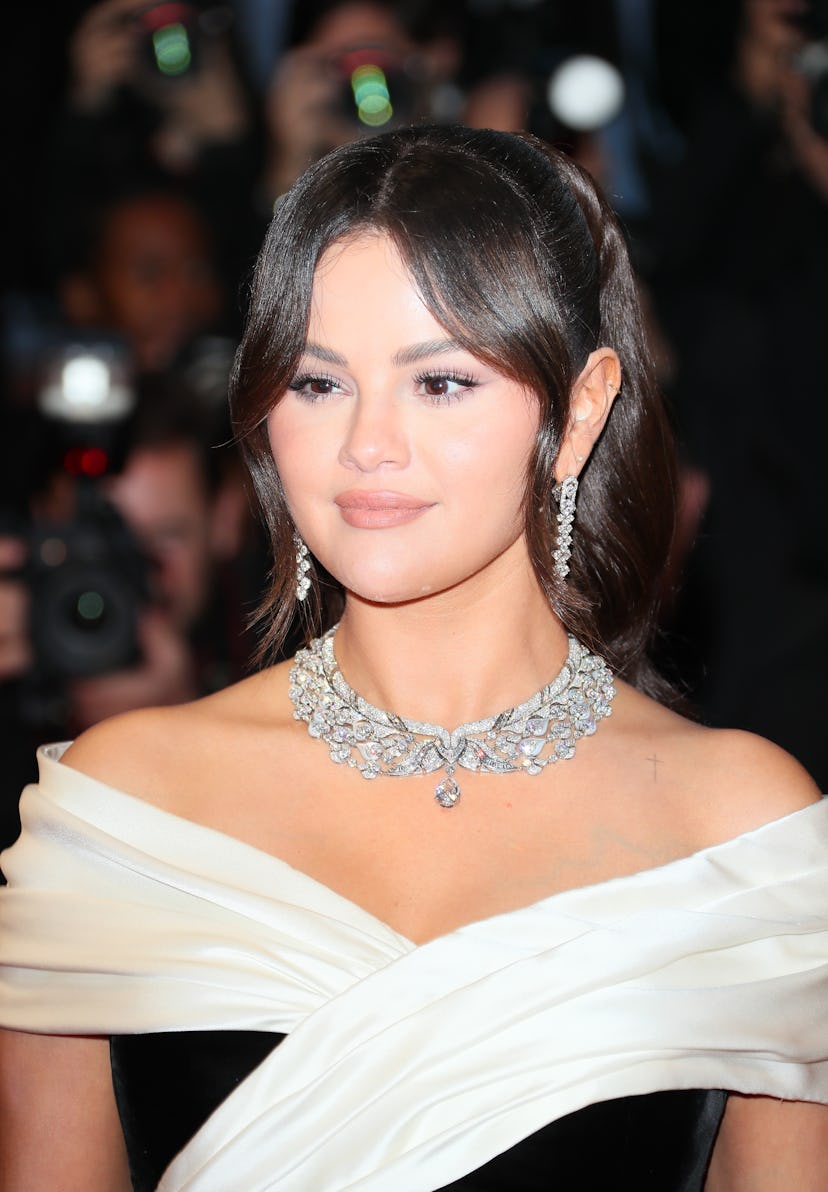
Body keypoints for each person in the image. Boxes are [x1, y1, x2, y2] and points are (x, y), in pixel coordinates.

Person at [1, 125, 826, 1190]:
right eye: (316, 383)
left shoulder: (741, 833)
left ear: (579, 411)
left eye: (439, 382)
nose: (367, 445)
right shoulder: (120, 811)